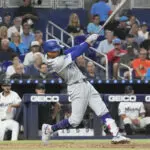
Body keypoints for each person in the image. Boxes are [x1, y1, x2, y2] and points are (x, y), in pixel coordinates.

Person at [41, 36, 130, 144]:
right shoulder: (55, 62)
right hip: (76, 87)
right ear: (49, 53)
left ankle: (116, 135)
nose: (59, 50)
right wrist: (87, 43)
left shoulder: (56, 54)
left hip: (86, 84)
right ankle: (49, 129)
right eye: (56, 50)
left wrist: (86, 43)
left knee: (102, 109)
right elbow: (76, 53)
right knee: (75, 121)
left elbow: (71, 49)